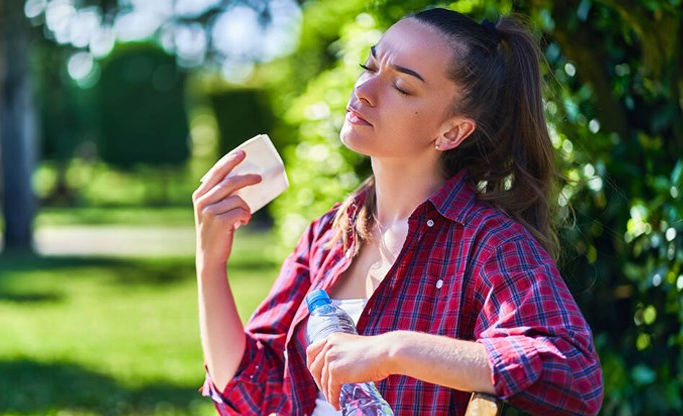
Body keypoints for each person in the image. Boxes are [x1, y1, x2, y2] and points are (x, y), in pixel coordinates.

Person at [192, 7, 603, 416]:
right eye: (367, 66)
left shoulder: (488, 243)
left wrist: (392, 349)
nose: (365, 91)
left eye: (402, 87)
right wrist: (211, 263)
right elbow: (257, 392)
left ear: (452, 132)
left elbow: (574, 374)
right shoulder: (329, 235)